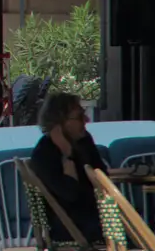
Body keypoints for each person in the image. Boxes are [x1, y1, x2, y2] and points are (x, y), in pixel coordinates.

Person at [29, 92, 105, 242]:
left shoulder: (83, 141)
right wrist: (68, 157)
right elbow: (71, 194)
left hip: (93, 215)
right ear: (59, 122)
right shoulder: (45, 154)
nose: (86, 120)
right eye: (79, 117)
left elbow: (103, 176)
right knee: (136, 226)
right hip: (70, 226)